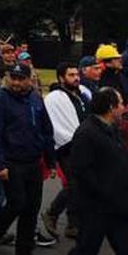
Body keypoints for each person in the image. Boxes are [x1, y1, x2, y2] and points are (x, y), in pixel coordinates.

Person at [46, 87, 128, 255]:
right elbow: (81, 173)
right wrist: (105, 193)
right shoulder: (87, 133)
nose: (122, 108)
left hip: (119, 208)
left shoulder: (112, 129)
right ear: (111, 107)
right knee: (85, 251)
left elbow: (120, 163)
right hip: (95, 209)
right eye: (119, 104)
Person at [0, 63, 56, 255]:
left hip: (33, 160)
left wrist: (50, 161)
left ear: (29, 79)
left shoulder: (35, 98)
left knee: (32, 208)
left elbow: (46, 129)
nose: (15, 82)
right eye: (12, 77)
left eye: (20, 78)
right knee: (17, 203)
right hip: (11, 161)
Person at [41, 63, 88, 240]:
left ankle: (73, 224)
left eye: (77, 74)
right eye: (71, 75)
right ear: (61, 77)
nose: (76, 78)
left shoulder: (80, 95)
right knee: (74, 184)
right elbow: (55, 124)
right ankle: (52, 213)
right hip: (66, 146)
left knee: (80, 184)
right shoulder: (54, 98)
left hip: (82, 144)